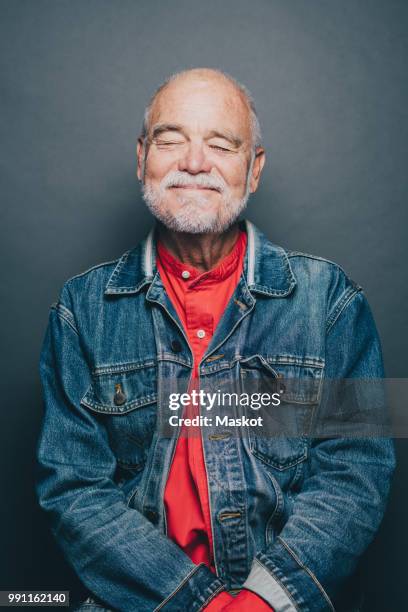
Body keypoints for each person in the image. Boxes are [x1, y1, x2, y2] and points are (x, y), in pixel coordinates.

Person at [35, 68, 395, 611]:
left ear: (254, 169)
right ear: (141, 157)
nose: (194, 163)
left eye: (221, 145)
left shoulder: (331, 300)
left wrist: (263, 600)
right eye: (170, 140)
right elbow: (73, 488)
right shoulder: (80, 310)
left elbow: (358, 468)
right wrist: (196, 602)